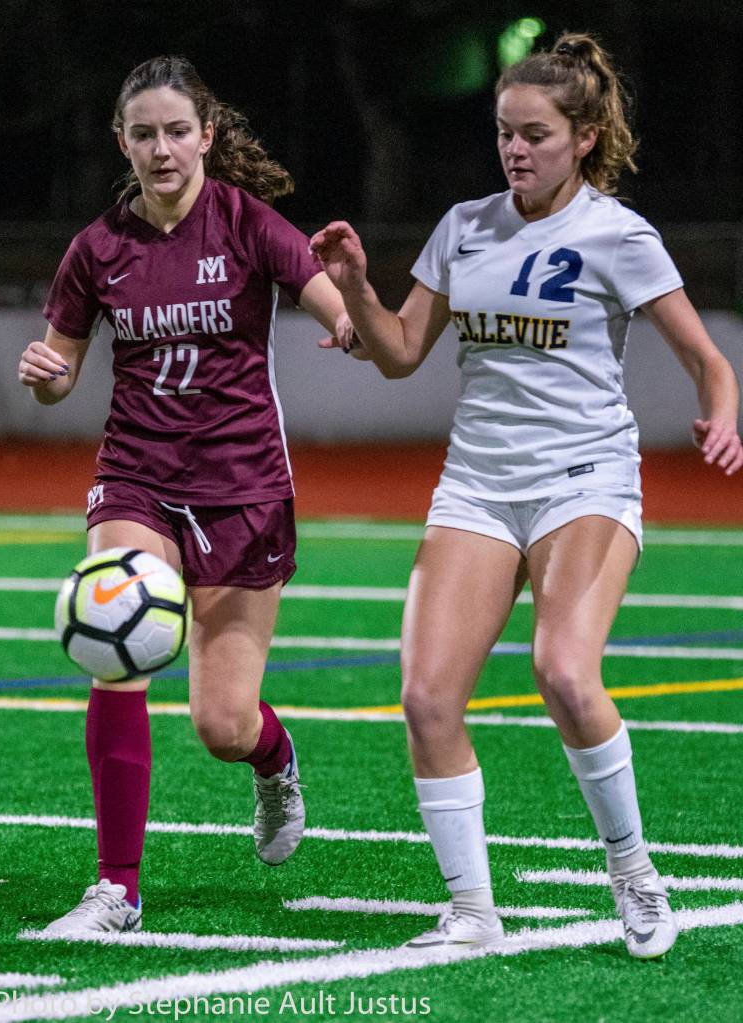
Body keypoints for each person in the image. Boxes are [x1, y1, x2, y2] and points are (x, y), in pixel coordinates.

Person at [311, 32, 743, 960]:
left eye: (535, 133)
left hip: (584, 477)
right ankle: (472, 911)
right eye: (504, 132)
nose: (514, 149)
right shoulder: (465, 225)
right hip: (478, 481)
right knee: (427, 698)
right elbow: (398, 353)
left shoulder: (618, 235)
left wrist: (723, 414)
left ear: (584, 137)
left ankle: (633, 872)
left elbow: (708, 359)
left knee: (565, 672)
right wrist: (352, 285)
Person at [18, 55, 351, 935]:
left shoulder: (248, 223)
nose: (161, 149)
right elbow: (61, 375)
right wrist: (46, 376)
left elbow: (330, 301)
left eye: (176, 131)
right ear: (121, 143)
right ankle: (116, 889)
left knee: (221, 722)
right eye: (143, 133)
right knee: (112, 645)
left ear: (206, 134)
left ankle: (275, 764)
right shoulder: (96, 249)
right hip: (138, 476)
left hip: (244, 490)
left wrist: (347, 315)